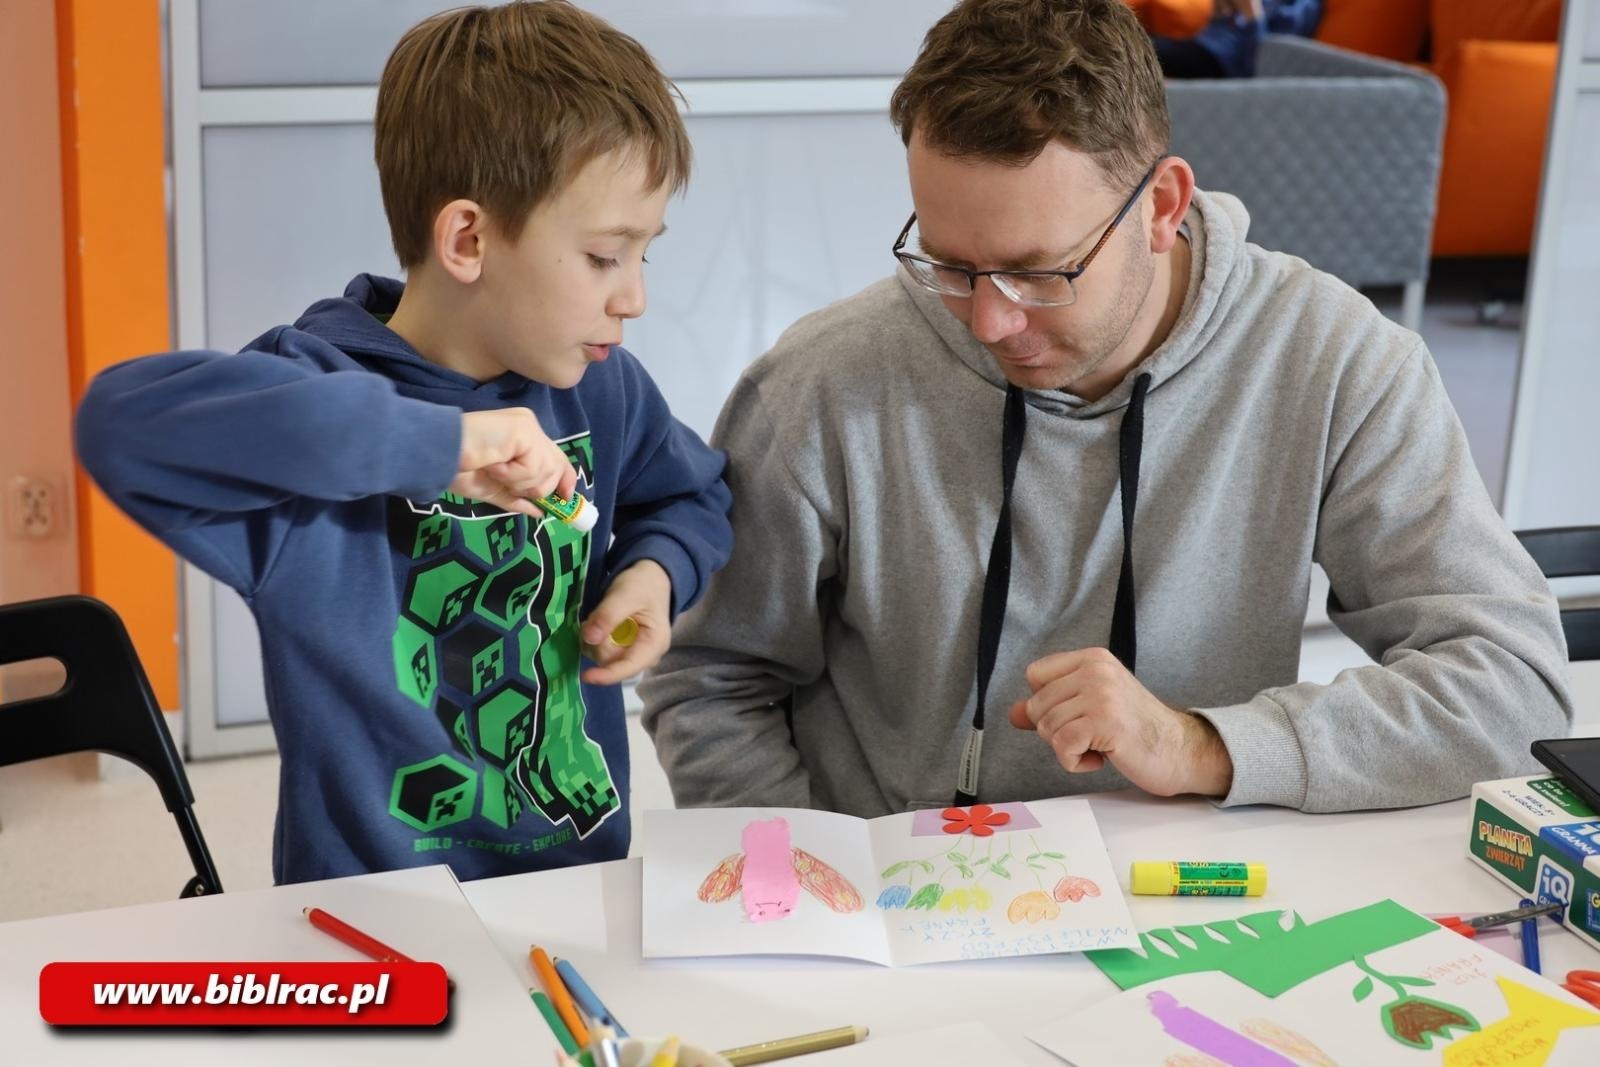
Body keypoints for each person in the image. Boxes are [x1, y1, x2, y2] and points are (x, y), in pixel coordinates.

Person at [640, 0, 1570, 818]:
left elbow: (1511, 684)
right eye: (951, 265)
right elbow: (711, 681)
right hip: (893, 904)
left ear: (1162, 205)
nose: (990, 320)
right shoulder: (821, 384)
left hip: (1194, 893)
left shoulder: (1334, 361)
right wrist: (806, 883)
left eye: (1039, 273)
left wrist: (1202, 745)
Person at [75, 1, 732, 884]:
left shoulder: (600, 387)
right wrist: (439, 443)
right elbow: (119, 422)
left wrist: (652, 578)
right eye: (604, 257)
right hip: (370, 916)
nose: (635, 298)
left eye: (646, 254)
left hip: (574, 885)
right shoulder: (309, 396)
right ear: (468, 239)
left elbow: (691, 494)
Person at [1147, 0, 1324, 80]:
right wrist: (1218, 11)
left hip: (1223, 63)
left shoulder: (1302, 7)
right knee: (1146, 45)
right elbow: (1216, 30)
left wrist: (1252, 13)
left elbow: (1264, 61)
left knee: (1145, 51)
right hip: (1199, 46)